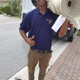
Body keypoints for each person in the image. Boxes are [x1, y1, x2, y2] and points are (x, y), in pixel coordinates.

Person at [19, 0, 59, 80]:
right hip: (33, 51)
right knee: (30, 72)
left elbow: (60, 33)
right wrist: (27, 40)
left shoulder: (53, 15)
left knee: (43, 73)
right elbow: (22, 28)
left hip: (46, 53)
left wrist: (66, 17)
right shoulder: (31, 14)